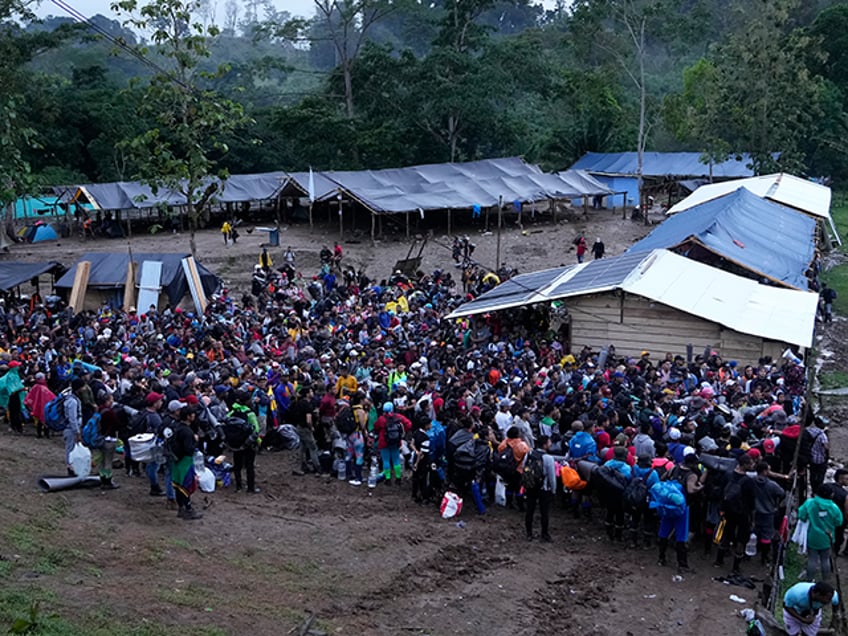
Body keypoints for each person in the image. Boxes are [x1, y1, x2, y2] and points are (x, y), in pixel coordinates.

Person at [714, 453, 756, 573]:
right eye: (751, 463)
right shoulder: (748, 481)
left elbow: (722, 492)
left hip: (727, 511)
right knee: (741, 539)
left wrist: (721, 508)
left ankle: (719, 560)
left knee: (726, 534)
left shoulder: (728, 475)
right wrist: (752, 517)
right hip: (743, 513)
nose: (753, 465)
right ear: (744, 465)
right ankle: (736, 567)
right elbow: (751, 501)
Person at [799, 485, 844, 582]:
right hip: (827, 537)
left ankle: (809, 580)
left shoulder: (810, 503)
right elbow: (839, 522)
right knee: (825, 559)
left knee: (812, 559)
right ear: (831, 495)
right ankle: (826, 580)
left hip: (812, 536)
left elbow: (801, 515)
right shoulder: (834, 507)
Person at [170, 404, 203, 520]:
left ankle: (181, 508)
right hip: (185, 461)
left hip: (176, 460)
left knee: (179, 485)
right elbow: (189, 449)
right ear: (189, 416)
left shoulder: (177, 427)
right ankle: (188, 509)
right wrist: (196, 441)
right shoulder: (187, 432)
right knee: (186, 485)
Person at [524, 435, 556, 542]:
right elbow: (552, 476)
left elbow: (525, 467)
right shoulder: (548, 458)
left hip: (531, 486)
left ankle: (529, 533)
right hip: (543, 488)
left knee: (530, 510)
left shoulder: (529, 454)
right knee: (544, 512)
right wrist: (553, 490)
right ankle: (544, 534)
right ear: (545, 444)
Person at [229, 391, 261, 493]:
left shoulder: (233, 412)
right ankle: (251, 487)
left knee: (237, 465)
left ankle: (238, 486)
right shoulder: (250, 414)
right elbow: (256, 429)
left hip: (236, 442)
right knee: (249, 465)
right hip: (248, 443)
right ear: (247, 401)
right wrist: (258, 441)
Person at [373, 402, 412, 485]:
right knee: (396, 460)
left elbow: (376, 426)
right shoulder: (398, 417)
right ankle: (398, 478)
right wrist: (402, 431)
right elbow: (409, 424)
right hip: (396, 441)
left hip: (384, 442)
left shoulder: (381, 419)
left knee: (386, 460)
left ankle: (388, 479)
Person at [289, 385, 321, 476]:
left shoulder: (299, 403)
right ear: (307, 394)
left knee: (302, 447)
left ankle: (302, 466)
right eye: (311, 392)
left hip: (299, 427)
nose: (312, 393)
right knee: (313, 447)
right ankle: (317, 468)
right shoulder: (306, 405)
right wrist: (311, 427)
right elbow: (308, 419)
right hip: (305, 428)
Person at [92, 391, 121, 490]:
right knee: (108, 461)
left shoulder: (98, 410)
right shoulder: (109, 413)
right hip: (109, 439)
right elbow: (117, 425)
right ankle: (108, 481)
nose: (112, 402)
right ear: (107, 401)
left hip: (99, 438)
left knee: (102, 461)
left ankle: (102, 478)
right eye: (111, 400)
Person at [497, 426, 530, 510]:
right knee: (519, 488)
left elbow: (499, 450)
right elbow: (528, 453)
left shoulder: (504, 444)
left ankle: (509, 502)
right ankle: (520, 505)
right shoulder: (522, 445)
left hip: (506, 469)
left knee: (509, 486)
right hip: (518, 469)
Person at [63, 378, 85, 475]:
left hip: (71, 428)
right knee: (70, 449)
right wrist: (77, 431)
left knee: (71, 448)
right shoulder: (73, 402)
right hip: (71, 429)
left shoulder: (71, 398)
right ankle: (70, 469)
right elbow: (72, 419)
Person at [24, 372, 55, 439]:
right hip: (44, 406)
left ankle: (39, 434)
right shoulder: (43, 388)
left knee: (39, 422)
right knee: (45, 421)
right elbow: (51, 397)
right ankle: (46, 434)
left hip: (37, 406)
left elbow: (30, 397)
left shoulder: (35, 387)